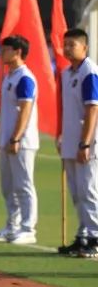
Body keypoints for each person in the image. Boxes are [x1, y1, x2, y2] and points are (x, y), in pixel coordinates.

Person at [0, 35, 39, 244]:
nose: (2, 54)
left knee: (23, 185)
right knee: (8, 186)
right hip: (6, 141)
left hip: (21, 143)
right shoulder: (9, 76)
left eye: (6, 50)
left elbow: (25, 109)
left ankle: (28, 228)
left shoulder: (24, 78)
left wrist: (16, 138)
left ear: (18, 52)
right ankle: (12, 225)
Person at [58, 29, 98, 258]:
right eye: (66, 44)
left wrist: (85, 143)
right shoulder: (67, 73)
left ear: (85, 47)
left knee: (89, 190)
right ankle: (83, 234)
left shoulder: (89, 72)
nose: (67, 48)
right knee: (76, 192)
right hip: (71, 140)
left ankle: (95, 237)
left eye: (72, 44)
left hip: (88, 143)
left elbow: (93, 107)